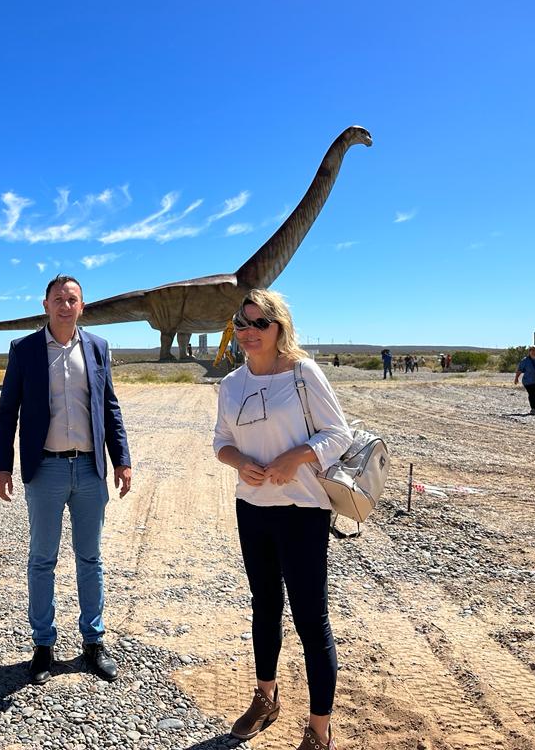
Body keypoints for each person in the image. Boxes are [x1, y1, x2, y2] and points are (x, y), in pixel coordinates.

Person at [213, 289, 352, 750]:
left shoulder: (302, 373)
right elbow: (221, 442)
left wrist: (298, 456)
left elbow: (339, 433)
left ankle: (318, 729)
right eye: (242, 322)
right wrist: (238, 462)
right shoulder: (230, 384)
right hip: (252, 508)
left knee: (312, 618)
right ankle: (266, 697)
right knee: (264, 606)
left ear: (279, 329)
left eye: (259, 324)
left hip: (303, 510)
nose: (248, 332)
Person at [0, 274, 132, 686]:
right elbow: (7, 412)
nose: (65, 305)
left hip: (90, 469)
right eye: (58, 299)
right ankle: (43, 646)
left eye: (73, 299)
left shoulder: (97, 348)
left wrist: (121, 460)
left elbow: (110, 408)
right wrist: (2, 466)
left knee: (91, 559)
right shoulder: (25, 350)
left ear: (82, 307)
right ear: (45, 304)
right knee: (42, 560)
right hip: (46, 469)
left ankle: (93, 643)